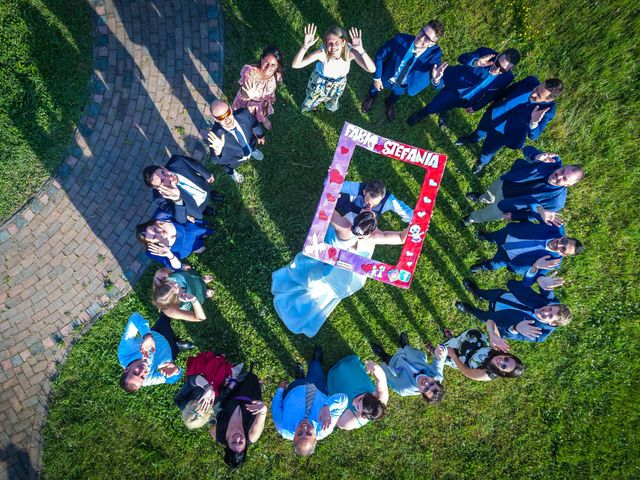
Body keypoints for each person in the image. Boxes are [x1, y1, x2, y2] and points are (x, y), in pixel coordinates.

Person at [271, 210, 408, 337]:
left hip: (328, 266)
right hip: (343, 276)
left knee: (312, 282)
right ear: (370, 231)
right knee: (321, 292)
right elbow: (401, 238)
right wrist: (416, 227)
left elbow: (328, 209)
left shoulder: (345, 227)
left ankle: (296, 302)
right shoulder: (373, 237)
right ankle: (303, 312)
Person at [456, 77, 564, 174]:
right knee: (480, 130)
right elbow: (509, 90)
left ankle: (482, 161)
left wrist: (534, 122)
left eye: (539, 96)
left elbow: (534, 135)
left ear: (549, 99)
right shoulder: (530, 81)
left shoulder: (548, 110)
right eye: (536, 88)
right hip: (494, 114)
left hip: (503, 132)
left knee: (488, 149)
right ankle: (473, 138)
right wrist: (495, 101)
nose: (534, 94)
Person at [463, 146, 584, 225]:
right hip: (506, 182)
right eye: (562, 171)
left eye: (564, 178)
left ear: (569, 185)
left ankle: (471, 218)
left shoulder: (556, 202)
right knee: (490, 194)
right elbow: (527, 149)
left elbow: (534, 214)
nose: (558, 176)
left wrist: (515, 215)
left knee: (486, 215)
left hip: (509, 204)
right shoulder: (553, 161)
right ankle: (482, 198)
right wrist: (536, 156)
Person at [407, 47, 520, 127]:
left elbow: (491, 95)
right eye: (498, 64)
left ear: (509, 69)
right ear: (498, 55)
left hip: (468, 100)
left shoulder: (507, 78)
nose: (497, 70)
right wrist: (476, 63)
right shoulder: (486, 53)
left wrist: (477, 107)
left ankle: (444, 110)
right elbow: (462, 58)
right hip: (455, 88)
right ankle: (422, 114)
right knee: (434, 106)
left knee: (451, 105)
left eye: (503, 69)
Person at [361, 20, 446, 121]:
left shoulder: (434, 55)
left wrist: (436, 79)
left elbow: (440, 85)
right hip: (386, 76)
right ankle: (371, 97)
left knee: (395, 96)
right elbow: (380, 56)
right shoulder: (401, 39)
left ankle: (389, 103)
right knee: (374, 88)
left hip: (403, 85)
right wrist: (377, 78)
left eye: (427, 39)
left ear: (432, 44)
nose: (421, 38)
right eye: (422, 32)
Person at [271, 347, 347, 456]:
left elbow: (276, 408)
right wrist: (327, 407)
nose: (304, 427)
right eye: (308, 433)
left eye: (299, 433)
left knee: (299, 380)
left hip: (295, 388)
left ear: (293, 438)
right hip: (317, 387)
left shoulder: (283, 427)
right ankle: (316, 360)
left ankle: (300, 377)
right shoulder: (325, 426)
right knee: (316, 369)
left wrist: (279, 391)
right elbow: (344, 399)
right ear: (316, 439)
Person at [456, 276, 571, 343]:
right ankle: (476, 292)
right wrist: (541, 278)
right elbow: (545, 285)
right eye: (550, 309)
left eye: (550, 316)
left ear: (552, 323)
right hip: (503, 297)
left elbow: (514, 335)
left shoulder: (540, 333)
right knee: (487, 294)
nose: (545, 311)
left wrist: (515, 328)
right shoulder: (551, 301)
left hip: (499, 317)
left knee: (483, 317)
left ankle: (470, 310)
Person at [291, 24, 375, 112]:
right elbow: (296, 65)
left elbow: (372, 69)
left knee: (333, 97)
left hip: (339, 83)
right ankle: (312, 106)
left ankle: (329, 105)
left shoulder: (350, 53)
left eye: (336, 42)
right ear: (325, 44)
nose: (333, 46)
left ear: (343, 42)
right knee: (314, 97)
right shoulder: (322, 54)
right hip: (320, 82)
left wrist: (361, 50)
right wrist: (305, 47)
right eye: (330, 43)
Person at [470, 220, 584, 279]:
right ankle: (486, 237)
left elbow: (534, 276)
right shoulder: (556, 226)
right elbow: (536, 209)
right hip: (509, 235)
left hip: (508, 257)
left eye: (563, 249)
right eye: (563, 242)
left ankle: (483, 266)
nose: (559, 245)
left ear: (564, 255)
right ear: (564, 237)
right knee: (494, 236)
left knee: (493, 265)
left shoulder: (552, 263)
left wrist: (536, 267)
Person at [117, 312, 193, 392]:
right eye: (142, 377)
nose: (143, 370)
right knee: (175, 348)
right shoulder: (147, 380)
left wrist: (147, 336)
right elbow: (171, 380)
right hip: (170, 351)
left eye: (135, 373)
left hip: (157, 333)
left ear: (126, 369)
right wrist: (176, 370)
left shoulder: (124, 352)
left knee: (167, 315)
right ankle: (177, 344)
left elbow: (135, 317)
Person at [210, 368, 267, 468]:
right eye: (241, 442)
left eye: (233, 442)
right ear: (245, 445)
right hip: (251, 394)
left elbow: (212, 412)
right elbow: (262, 414)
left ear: (227, 444)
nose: (237, 438)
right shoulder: (252, 435)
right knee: (251, 376)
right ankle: (258, 383)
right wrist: (263, 409)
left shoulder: (216, 432)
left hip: (230, 394)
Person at [142, 155, 222, 224]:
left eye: (163, 172)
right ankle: (206, 209)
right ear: (158, 188)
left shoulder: (177, 161)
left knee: (209, 193)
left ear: (163, 167)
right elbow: (181, 220)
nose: (169, 177)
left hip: (202, 186)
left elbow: (194, 164)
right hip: (197, 207)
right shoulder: (160, 198)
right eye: (163, 181)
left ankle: (211, 194)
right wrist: (177, 200)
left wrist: (207, 174)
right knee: (202, 210)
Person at [370, 332, 445, 403]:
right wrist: (441, 351)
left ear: (421, 392)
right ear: (435, 380)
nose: (426, 383)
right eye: (431, 383)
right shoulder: (437, 375)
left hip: (397, 365)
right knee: (408, 348)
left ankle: (382, 354)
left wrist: (379, 368)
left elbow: (387, 378)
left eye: (426, 389)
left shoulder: (403, 389)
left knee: (387, 359)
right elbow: (441, 357)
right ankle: (405, 344)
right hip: (414, 355)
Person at [207, 100, 266, 184]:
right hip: (234, 160)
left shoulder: (243, 114)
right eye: (220, 117)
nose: (226, 119)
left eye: (227, 113)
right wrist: (218, 152)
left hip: (251, 144)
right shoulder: (215, 137)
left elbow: (254, 123)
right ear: (215, 119)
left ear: (231, 109)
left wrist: (260, 135)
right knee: (229, 168)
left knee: (252, 147)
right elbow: (214, 160)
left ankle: (252, 151)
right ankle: (233, 174)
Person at [174, 351, 235, 429]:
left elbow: (191, 381)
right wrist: (230, 385)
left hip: (199, 378)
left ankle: (216, 358)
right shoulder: (212, 408)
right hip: (215, 382)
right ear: (206, 414)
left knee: (203, 366)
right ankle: (222, 362)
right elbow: (223, 395)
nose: (194, 404)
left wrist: (207, 387)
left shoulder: (181, 403)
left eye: (191, 406)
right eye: (198, 406)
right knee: (220, 375)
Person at [326, 355, 388, 430]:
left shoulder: (349, 422)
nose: (353, 402)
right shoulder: (380, 397)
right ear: (373, 395)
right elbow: (382, 378)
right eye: (360, 399)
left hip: (335, 382)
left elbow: (336, 420)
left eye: (357, 408)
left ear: (362, 415)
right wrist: (374, 367)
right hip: (352, 369)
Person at [231, 46, 284, 130]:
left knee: (262, 111)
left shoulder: (276, 75)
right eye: (266, 62)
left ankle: (263, 118)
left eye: (273, 65)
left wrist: (272, 96)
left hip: (262, 103)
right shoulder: (250, 72)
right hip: (247, 103)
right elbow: (244, 93)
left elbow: (272, 87)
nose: (268, 67)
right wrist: (247, 95)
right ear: (262, 59)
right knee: (245, 119)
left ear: (277, 66)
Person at [443, 328, 524, 382]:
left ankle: (433, 350)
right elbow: (491, 322)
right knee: (461, 339)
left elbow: (465, 371)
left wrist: (453, 356)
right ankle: (452, 338)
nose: (501, 361)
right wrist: (494, 336)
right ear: (510, 356)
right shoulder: (502, 351)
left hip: (462, 358)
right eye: (506, 359)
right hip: (476, 344)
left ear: (502, 373)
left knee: (442, 353)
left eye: (503, 367)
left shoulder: (486, 375)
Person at [135, 218, 212, 269]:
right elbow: (177, 267)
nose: (160, 234)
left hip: (195, 230)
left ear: (153, 224)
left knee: (206, 231)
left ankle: (204, 234)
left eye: (155, 229)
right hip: (191, 247)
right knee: (202, 249)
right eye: (154, 237)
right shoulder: (155, 251)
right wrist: (169, 255)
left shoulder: (162, 218)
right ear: (151, 243)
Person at [337, 180, 414, 223]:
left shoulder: (390, 201)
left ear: (383, 198)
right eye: (367, 201)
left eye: (375, 204)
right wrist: (335, 177)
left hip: (367, 223)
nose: (369, 208)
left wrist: (419, 222)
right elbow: (332, 184)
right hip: (352, 209)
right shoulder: (357, 188)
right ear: (364, 192)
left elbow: (409, 214)